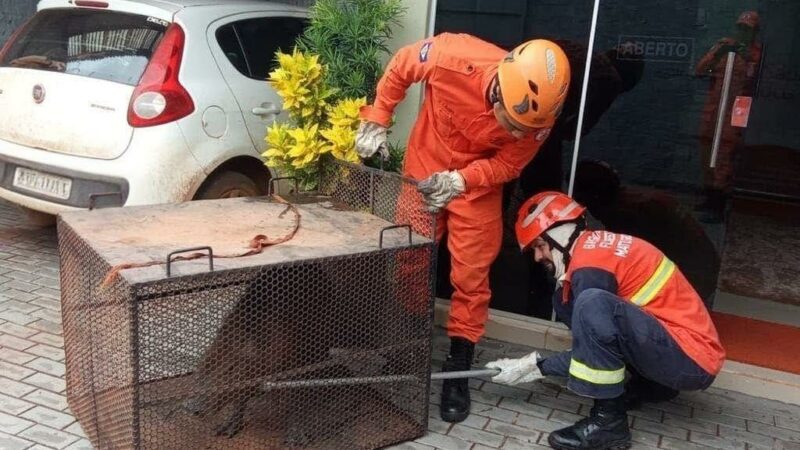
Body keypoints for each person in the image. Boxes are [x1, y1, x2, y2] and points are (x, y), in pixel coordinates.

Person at [356, 33, 571, 422]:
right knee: (410, 259)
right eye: (514, 123)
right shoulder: (452, 56)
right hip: (424, 170)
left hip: (476, 186)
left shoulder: (540, 118)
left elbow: (509, 164)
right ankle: (409, 342)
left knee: (471, 278)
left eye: (528, 128)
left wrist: (462, 181)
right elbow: (402, 66)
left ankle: (459, 365)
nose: (520, 134)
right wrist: (377, 118)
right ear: (498, 90)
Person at [486, 191, 725, 450]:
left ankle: (608, 424)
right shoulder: (597, 250)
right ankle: (655, 386)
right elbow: (607, 341)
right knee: (565, 300)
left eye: (540, 246)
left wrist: (535, 366)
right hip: (683, 352)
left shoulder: (590, 269)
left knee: (589, 303)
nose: (537, 257)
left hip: (689, 359)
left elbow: (591, 351)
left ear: (561, 236)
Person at [571, 159, 721, 305]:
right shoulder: (630, 201)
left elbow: (628, 265)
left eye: (582, 202)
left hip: (692, 281)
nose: (584, 209)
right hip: (700, 269)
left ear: (593, 198)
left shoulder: (626, 216)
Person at [695, 11, 763, 223]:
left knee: (726, 151)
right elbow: (699, 70)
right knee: (707, 148)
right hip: (715, 105)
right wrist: (718, 53)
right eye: (740, 27)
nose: (743, 32)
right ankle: (709, 196)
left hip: (737, 107)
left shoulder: (756, 54)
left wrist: (747, 58)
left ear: (754, 32)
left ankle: (719, 203)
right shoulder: (723, 46)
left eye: (747, 29)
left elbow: (757, 82)